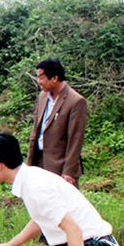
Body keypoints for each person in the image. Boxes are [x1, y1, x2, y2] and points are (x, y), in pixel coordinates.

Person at [27, 58, 87, 188]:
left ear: (54, 78)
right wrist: (29, 164)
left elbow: (76, 140)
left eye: (42, 78)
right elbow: (36, 131)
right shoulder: (43, 96)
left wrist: (68, 172)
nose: (39, 82)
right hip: (40, 163)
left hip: (60, 167)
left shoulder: (75, 101)